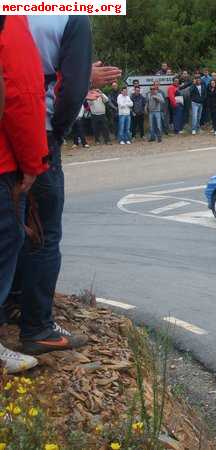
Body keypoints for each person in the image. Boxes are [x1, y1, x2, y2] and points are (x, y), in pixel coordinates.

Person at [11, 15, 92, 355]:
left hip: (5, 126)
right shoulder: (70, 14)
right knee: (44, 234)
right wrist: (57, 130)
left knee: (9, 225)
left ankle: (11, 305)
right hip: (37, 123)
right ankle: (38, 326)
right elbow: (74, 89)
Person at [0, 15, 49, 371]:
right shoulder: (11, 20)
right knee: (6, 241)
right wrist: (33, 161)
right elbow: (20, 91)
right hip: (2, 161)